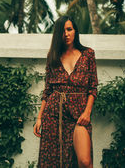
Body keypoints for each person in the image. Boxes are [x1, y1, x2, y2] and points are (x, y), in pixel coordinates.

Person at [33, 16, 98, 168]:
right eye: (62, 31)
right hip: (54, 114)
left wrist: (87, 112)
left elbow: (93, 87)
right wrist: (39, 117)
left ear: (75, 31)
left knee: (84, 162)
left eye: (69, 29)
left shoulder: (88, 54)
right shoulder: (53, 57)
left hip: (79, 113)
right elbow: (47, 90)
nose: (66, 34)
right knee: (53, 162)